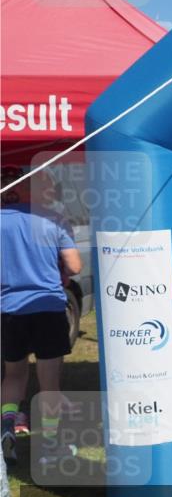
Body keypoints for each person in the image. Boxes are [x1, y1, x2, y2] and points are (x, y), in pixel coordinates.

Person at [1, 166, 83, 464]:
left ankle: (6, 429)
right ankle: (49, 446)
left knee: (13, 376)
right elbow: (74, 267)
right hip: (47, 307)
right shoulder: (53, 219)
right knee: (49, 385)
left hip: (10, 309)